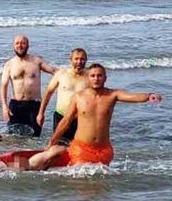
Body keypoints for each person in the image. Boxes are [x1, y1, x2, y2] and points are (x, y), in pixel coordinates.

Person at [28, 64, 162, 169]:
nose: (96, 79)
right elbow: (65, 121)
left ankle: (58, 155)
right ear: (88, 78)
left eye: (99, 76)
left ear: (105, 78)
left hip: (104, 150)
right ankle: (52, 155)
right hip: (81, 148)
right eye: (93, 76)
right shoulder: (79, 97)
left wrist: (148, 96)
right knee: (83, 181)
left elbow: (132, 96)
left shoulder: (112, 95)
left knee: (100, 186)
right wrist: (52, 142)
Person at [0, 34, 57, 137]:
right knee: (15, 137)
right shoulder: (9, 64)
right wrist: (4, 106)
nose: (20, 45)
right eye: (17, 43)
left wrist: (70, 74)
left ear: (28, 45)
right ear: (13, 46)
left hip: (34, 105)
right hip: (15, 105)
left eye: (23, 43)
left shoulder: (36, 61)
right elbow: (4, 85)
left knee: (35, 138)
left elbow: (53, 71)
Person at [37, 48, 88, 145]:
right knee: (57, 145)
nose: (79, 62)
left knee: (78, 146)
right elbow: (48, 93)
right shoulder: (61, 74)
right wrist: (41, 113)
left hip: (80, 119)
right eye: (76, 59)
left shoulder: (90, 77)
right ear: (71, 60)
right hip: (61, 116)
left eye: (82, 59)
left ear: (86, 60)